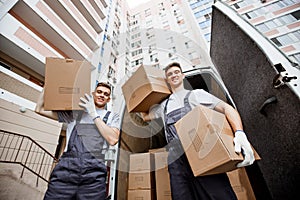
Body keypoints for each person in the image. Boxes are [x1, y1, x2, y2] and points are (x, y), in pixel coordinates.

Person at [141, 62, 255, 200]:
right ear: (166, 80)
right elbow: (145, 116)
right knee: (181, 196)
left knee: (218, 194)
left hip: (200, 151)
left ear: (182, 75)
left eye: (177, 72)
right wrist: (142, 93)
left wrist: (239, 133)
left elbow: (226, 108)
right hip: (176, 159)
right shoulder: (163, 106)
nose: (174, 75)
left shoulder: (196, 94)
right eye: (169, 74)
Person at [35, 82, 120, 200]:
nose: (102, 95)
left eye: (106, 94)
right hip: (66, 173)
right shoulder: (75, 113)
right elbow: (39, 109)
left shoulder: (112, 116)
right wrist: (47, 85)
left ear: (108, 99)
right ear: (93, 94)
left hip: (93, 178)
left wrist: (93, 113)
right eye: (99, 92)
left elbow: (113, 139)